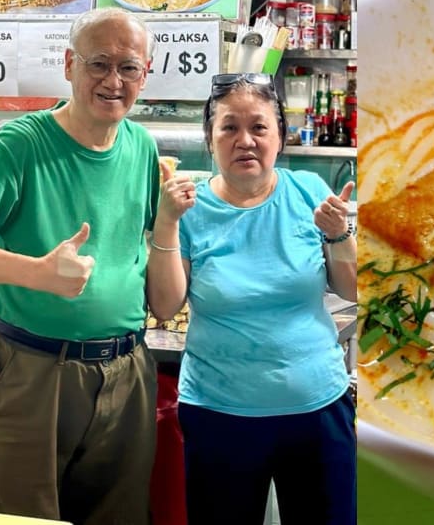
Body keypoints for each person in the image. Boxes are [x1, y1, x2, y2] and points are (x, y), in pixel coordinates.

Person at [0, 7, 160, 524]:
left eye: (128, 68)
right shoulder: (21, 144)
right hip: (30, 370)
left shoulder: (142, 146)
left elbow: (146, 246)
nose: (113, 81)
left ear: (145, 74)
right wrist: (35, 273)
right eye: (98, 64)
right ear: (69, 65)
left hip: (125, 373)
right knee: (11, 515)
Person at [147, 72, 357, 525]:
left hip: (317, 408)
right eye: (229, 127)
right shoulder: (189, 208)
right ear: (210, 138)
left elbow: (353, 289)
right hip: (219, 414)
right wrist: (165, 222)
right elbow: (164, 306)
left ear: (279, 136)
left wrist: (339, 236)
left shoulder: (309, 193)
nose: (245, 140)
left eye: (259, 127)